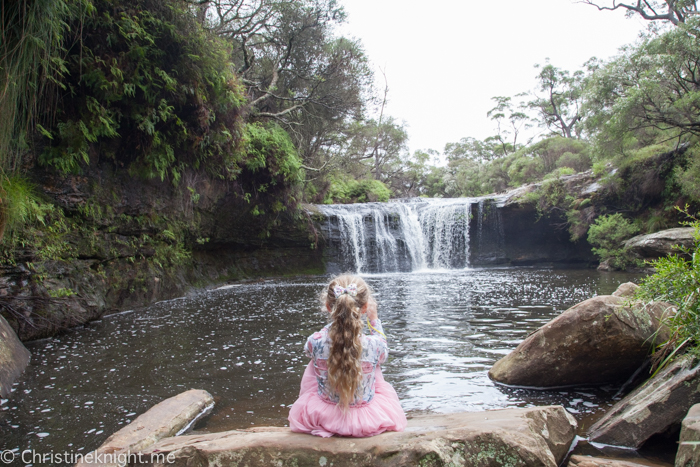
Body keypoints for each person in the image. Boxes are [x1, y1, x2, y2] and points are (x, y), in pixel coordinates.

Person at [288, 274, 407, 437]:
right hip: (367, 418)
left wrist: (334, 327)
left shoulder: (314, 341)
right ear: (364, 307)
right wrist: (374, 319)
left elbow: (309, 350)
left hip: (322, 415)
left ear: (329, 307)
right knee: (375, 362)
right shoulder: (375, 345)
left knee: (314, 362)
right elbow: (384, 352)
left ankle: (332, 405)